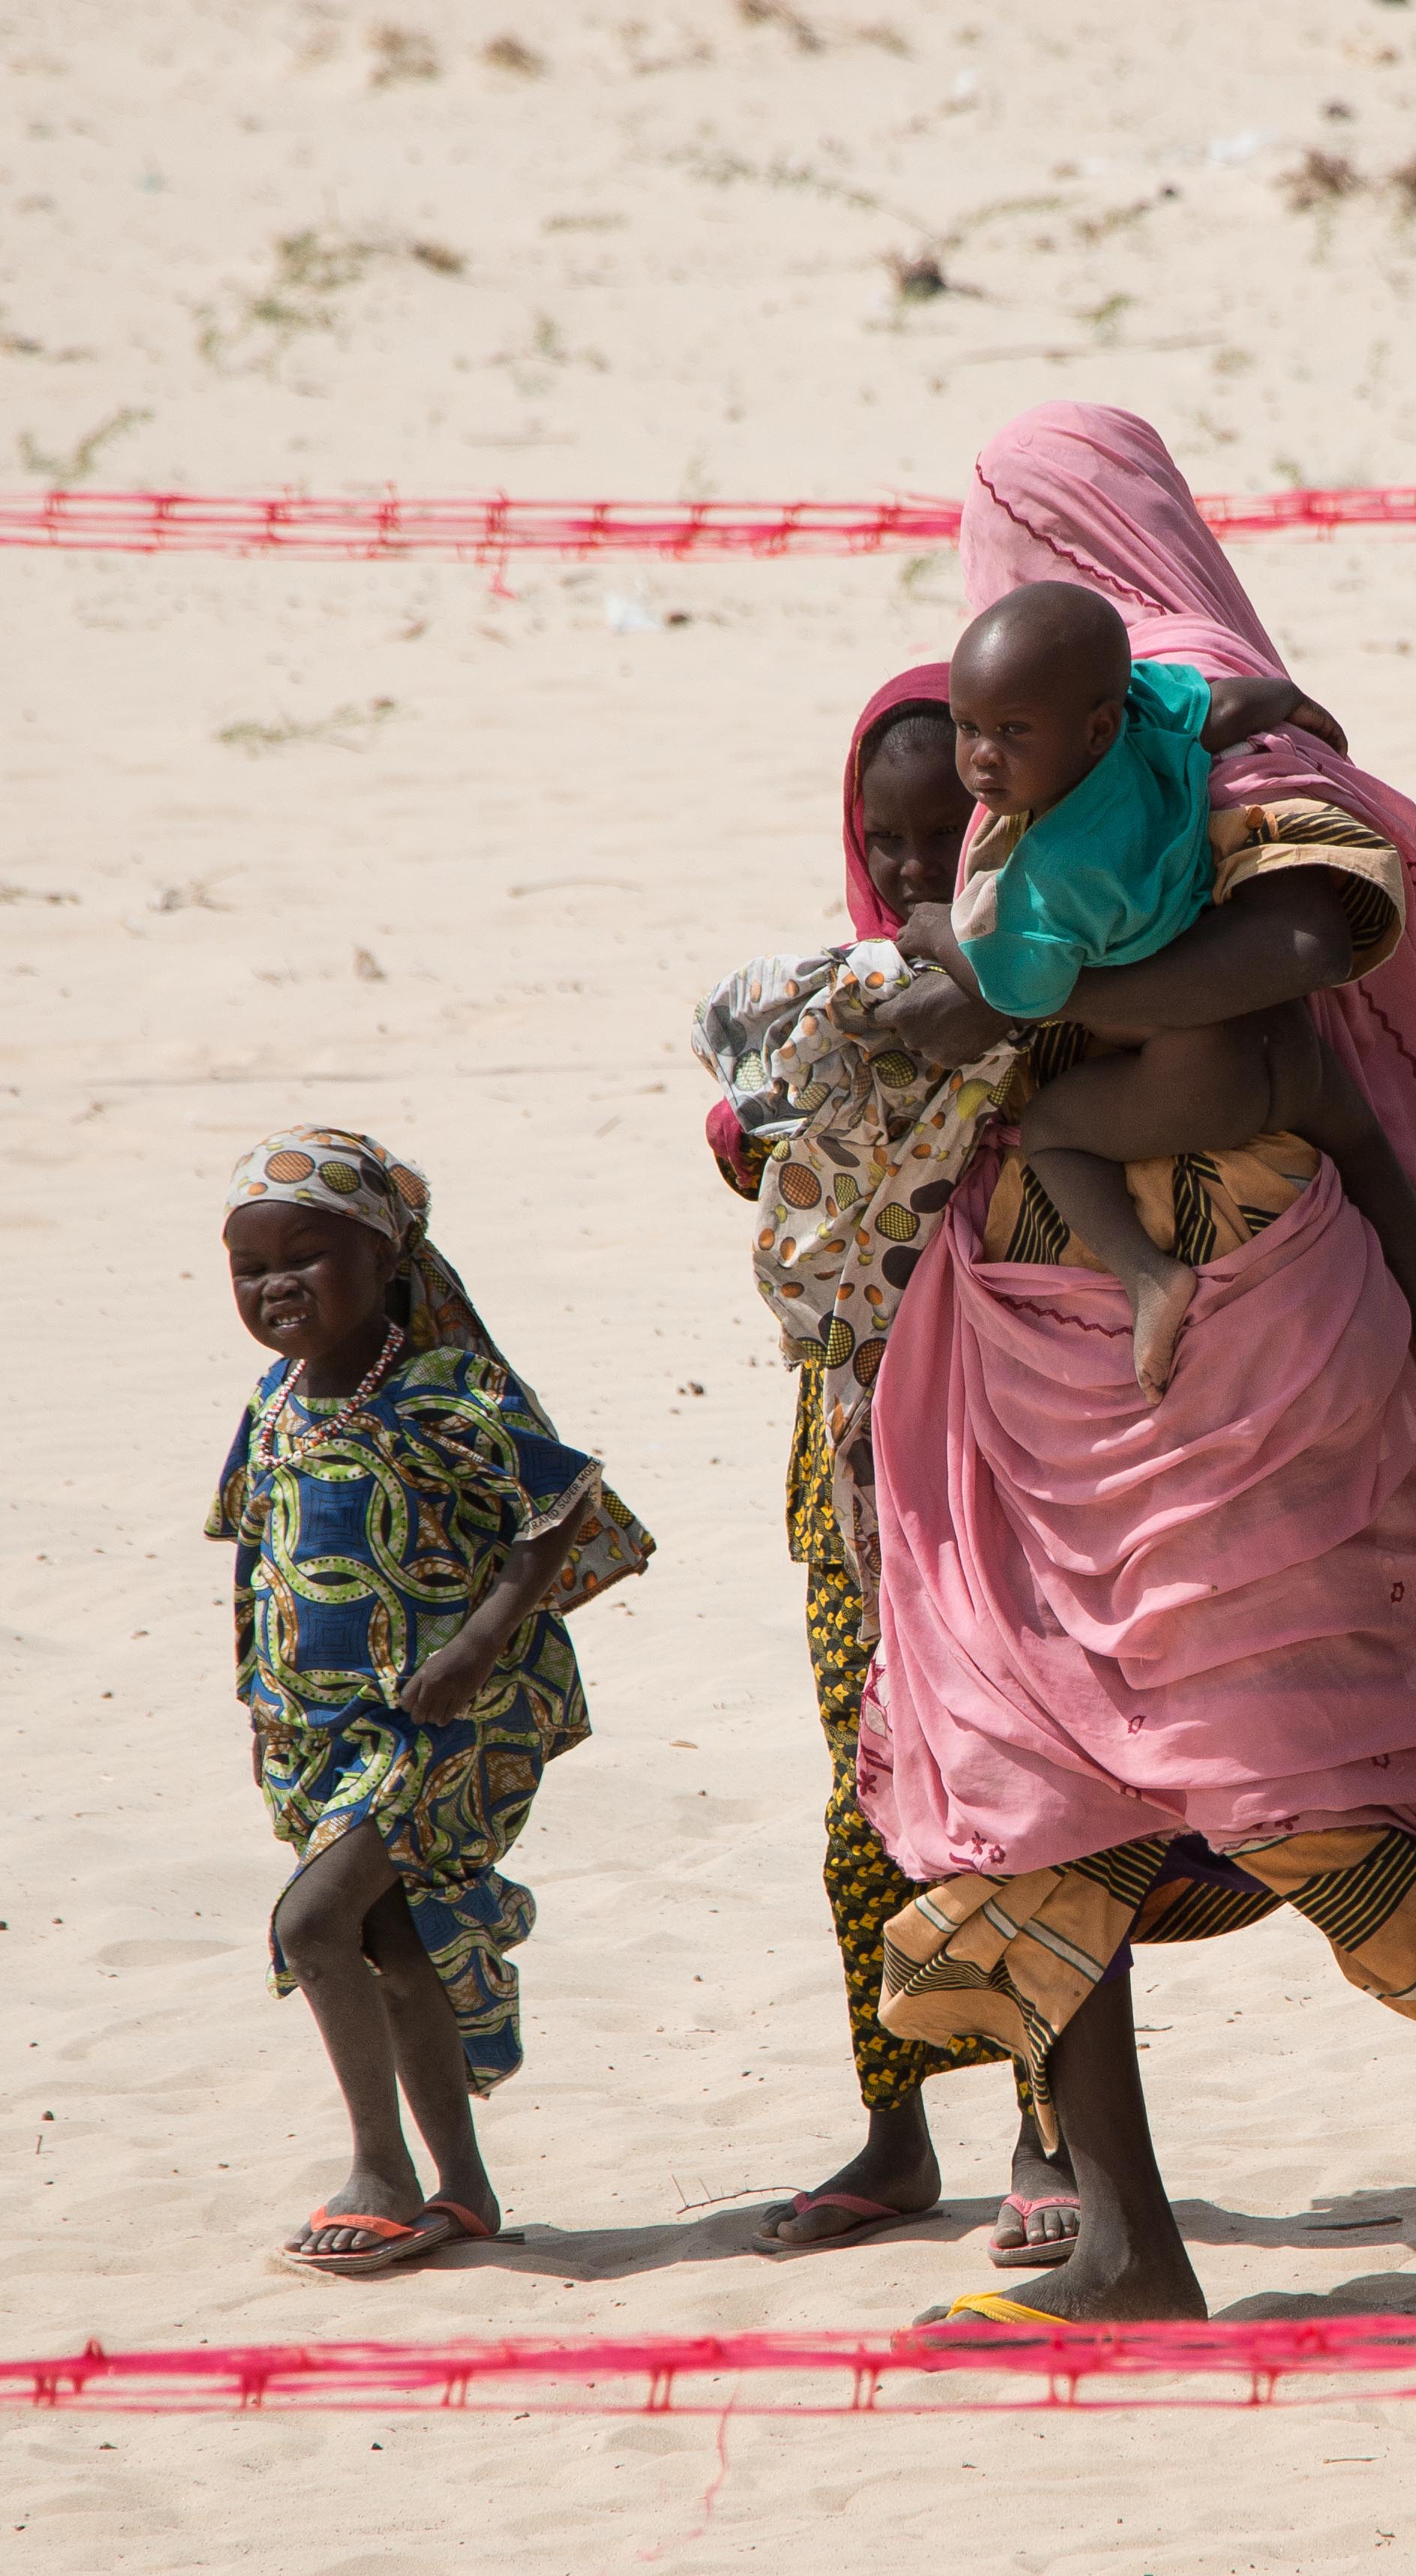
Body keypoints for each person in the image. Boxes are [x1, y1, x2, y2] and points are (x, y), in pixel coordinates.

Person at [855, 400, 1416, 2331]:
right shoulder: (1013, 755)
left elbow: (1315, 930)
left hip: (1238, 1333)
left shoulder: (1216, 717)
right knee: (1037, 1777)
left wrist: (1041, 1002)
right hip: (1039, 1343)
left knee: (1299, 1777)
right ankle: (1121, 2239)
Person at [696, 669, 1069, 2263]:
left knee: (1028, 1794)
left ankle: (1055, 2133)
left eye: (950, 830)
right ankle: (895, 2128)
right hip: (847, 1449)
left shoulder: (1042, 982)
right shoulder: (835, 1000)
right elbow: (771, 1155)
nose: (915, 866)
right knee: (868, 1801)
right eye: (885, 837)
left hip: (1007, 1437)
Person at [212, 1129, 651, 2276]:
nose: (277, 1286)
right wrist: (266, 1696)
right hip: (323, 1728)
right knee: (391, 1936)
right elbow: (259, 1549)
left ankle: (380, 2172)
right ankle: (463, 2192)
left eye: (309, 1255)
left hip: (457, 1712)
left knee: (312, 1923)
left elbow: (556, 1508)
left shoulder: (446, 1391)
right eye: (250, 1266)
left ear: (390, 1256)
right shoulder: (276, 1403)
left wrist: (478, 1642)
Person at [928, 576, 1416, 1401]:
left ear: (1093, 729)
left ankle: (1149, 1276)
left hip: (1195, 1076)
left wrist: (933, 933)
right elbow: (1224, 706)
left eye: (1013, 733)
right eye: (967, 727)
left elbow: (1017, 990)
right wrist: (1291, 704)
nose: (982, 758)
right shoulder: (1147, 723)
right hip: (1284, 1043)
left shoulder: (1053, 872)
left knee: (1054, 1132)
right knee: (1370, 1151)